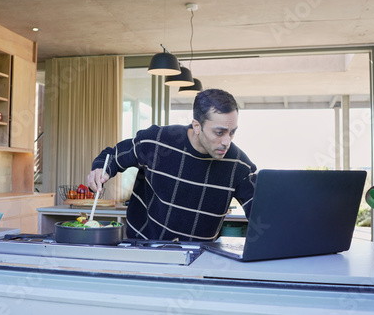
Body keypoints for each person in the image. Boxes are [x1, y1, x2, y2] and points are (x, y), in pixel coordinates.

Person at [87, 88, 257, 241]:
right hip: (145, 247)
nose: (226, 141)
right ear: (197, 126)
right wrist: (101, 169)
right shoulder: (157, 141)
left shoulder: (239, 165)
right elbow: (113, 156)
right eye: (219, 132)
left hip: (199, 256)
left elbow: (262, 212)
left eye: (232, 132)